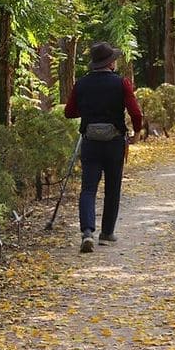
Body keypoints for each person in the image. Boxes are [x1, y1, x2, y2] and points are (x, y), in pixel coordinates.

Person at [63, 42, 143, 253]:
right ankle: (107, 233)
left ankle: (87, 232)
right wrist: (137, 131)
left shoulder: (81, 84)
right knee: (112, 188)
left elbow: (69, 112)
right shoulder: (121, 83)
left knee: (88, 188)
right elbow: (135, 111)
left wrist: (90, 111)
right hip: (114, 142)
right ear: (110, 63)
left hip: (90, 142)